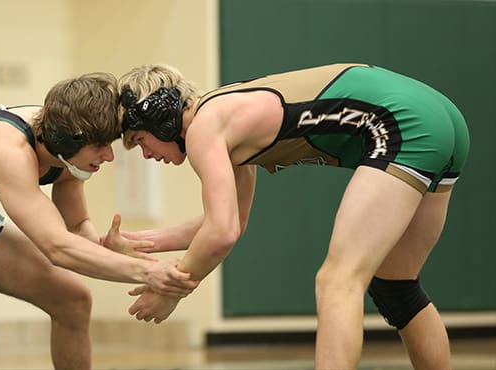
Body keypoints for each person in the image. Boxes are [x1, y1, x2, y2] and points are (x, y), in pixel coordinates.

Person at [108, 63, 469, 369]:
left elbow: (221, 234)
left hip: (405, 121)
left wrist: (174, 289)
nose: (146, 154)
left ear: (161, 117)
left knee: (337, 280)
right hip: (440, 116)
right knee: (396, 287)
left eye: (140, 140)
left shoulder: (205, 128)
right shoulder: (223, 120)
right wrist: (136, 244)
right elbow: (226, 223)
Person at [0, 72, 198, 370]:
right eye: (100, 146)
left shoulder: (65, 148)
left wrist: (105, 249)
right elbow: (56, 248)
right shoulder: (9, 149)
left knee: (72, 300)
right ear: (69, 139)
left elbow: (74, 226)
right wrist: (148, 272)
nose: (109, 157)